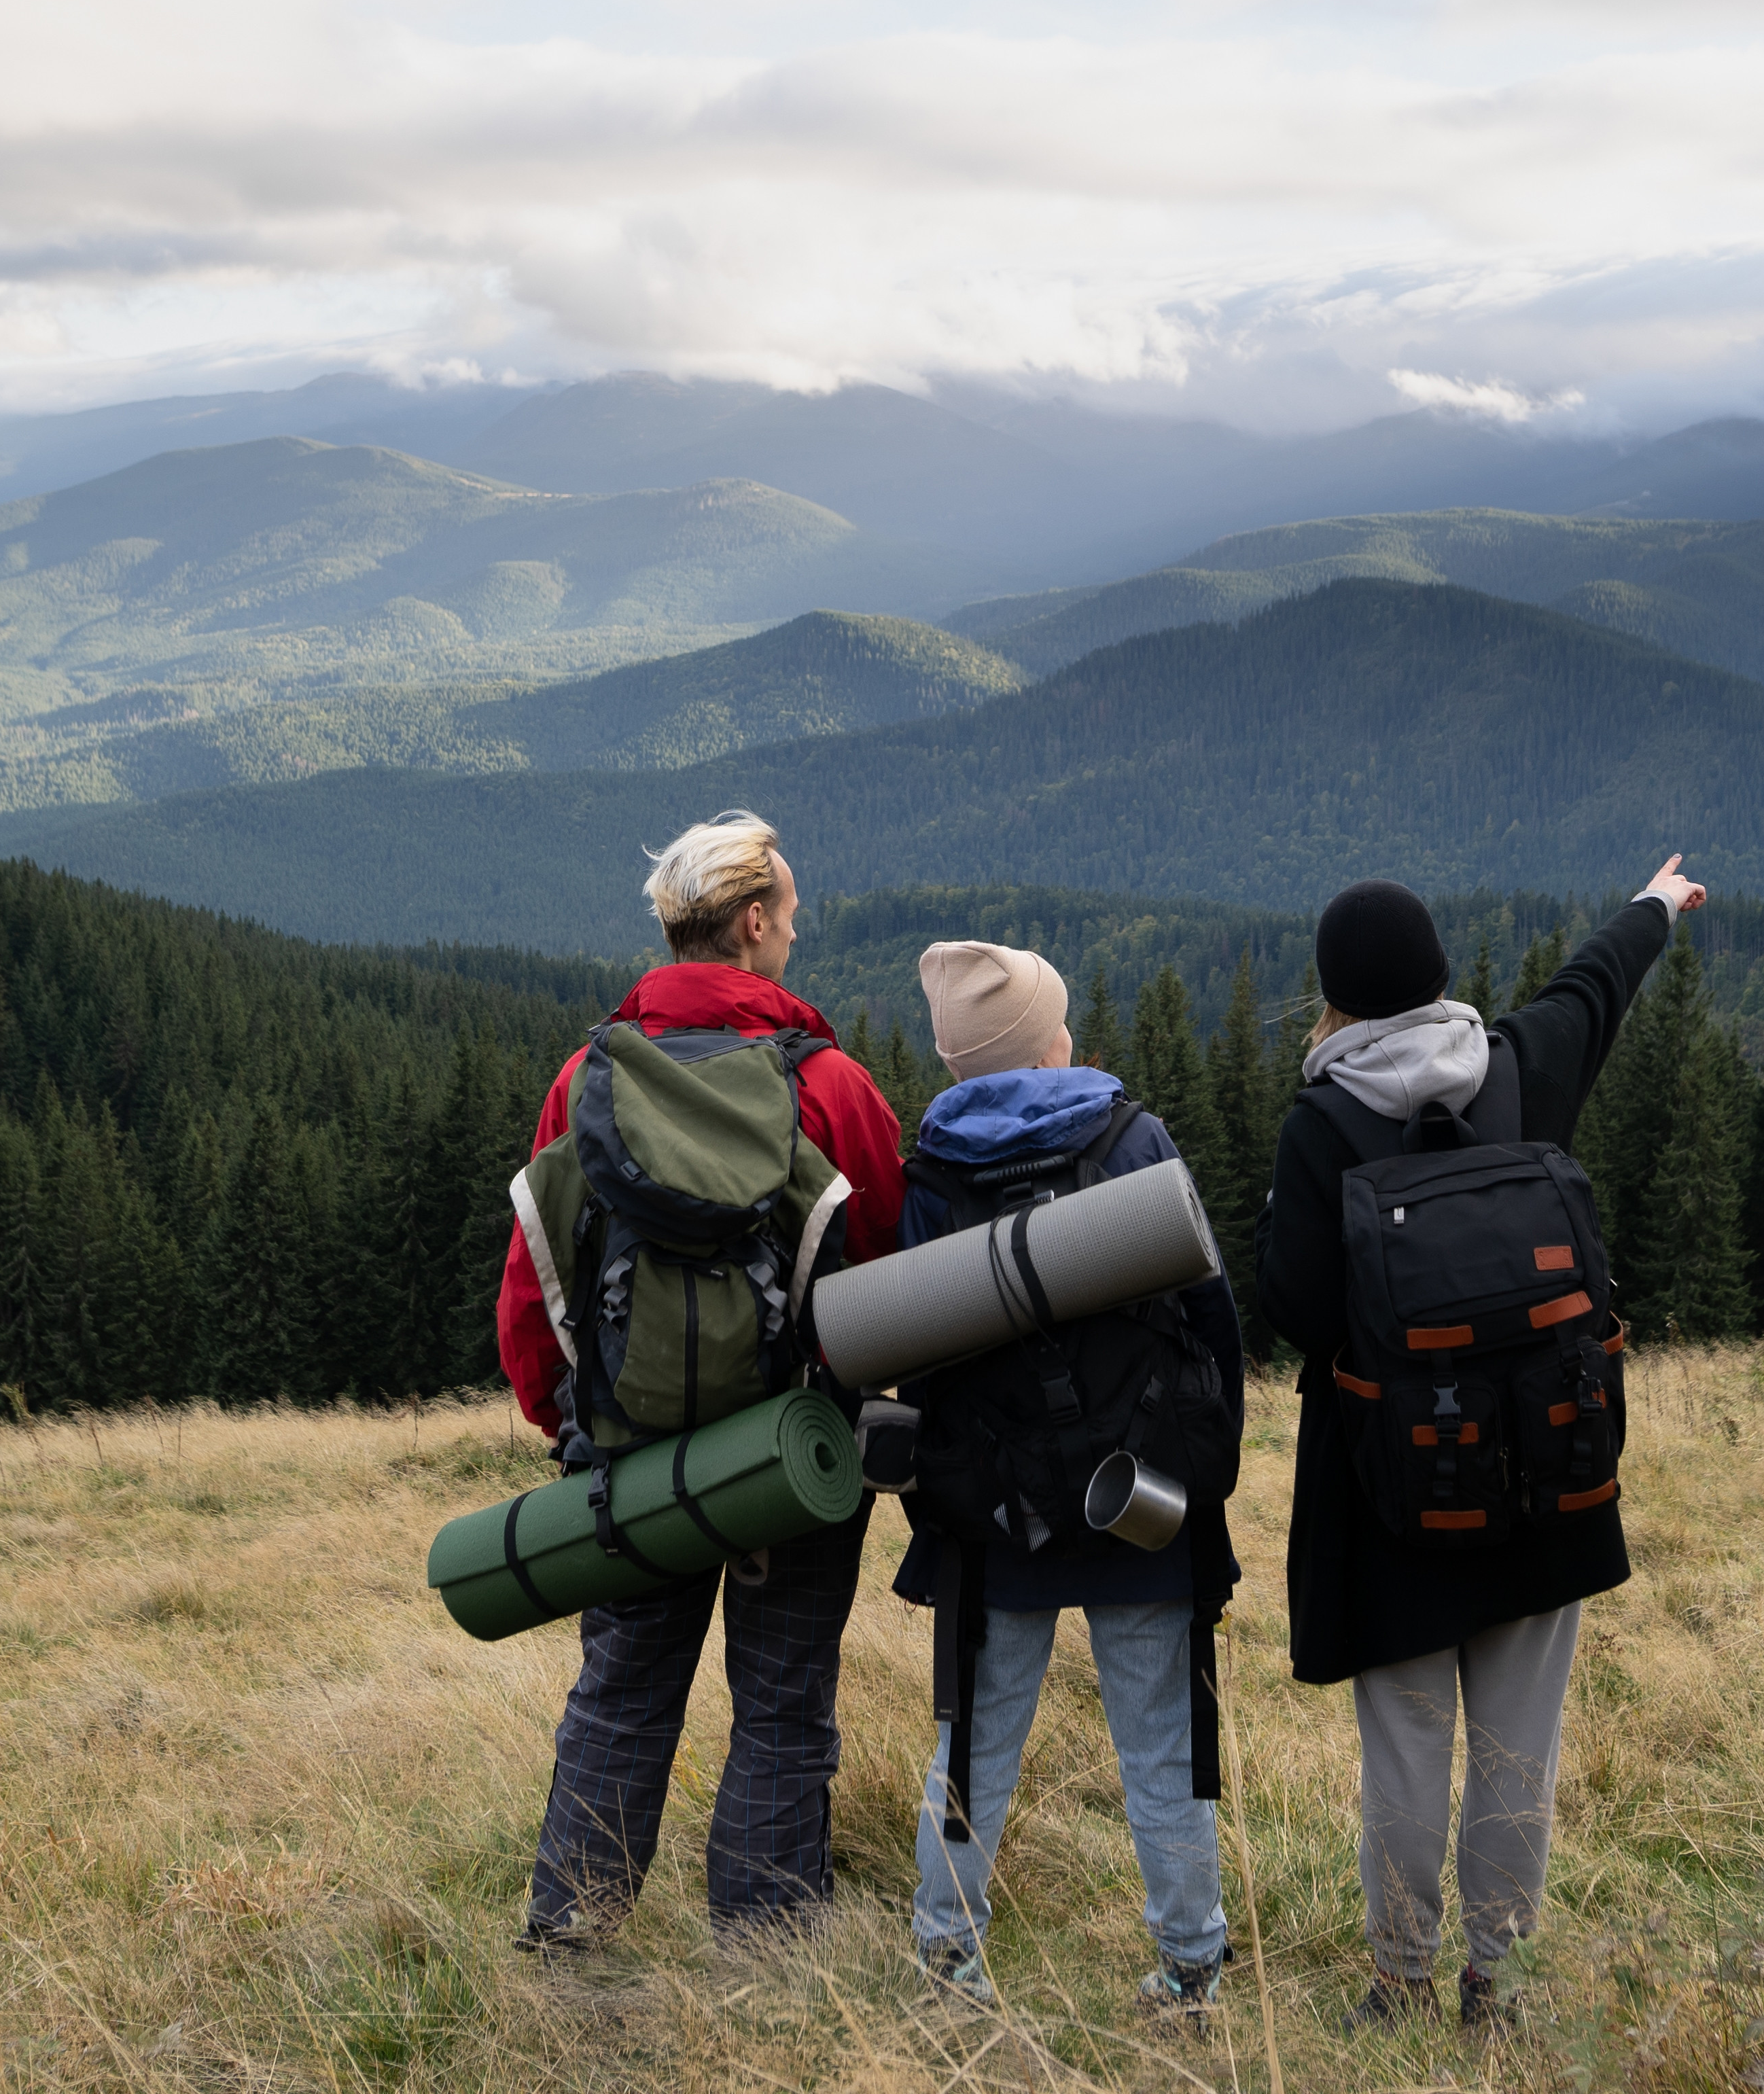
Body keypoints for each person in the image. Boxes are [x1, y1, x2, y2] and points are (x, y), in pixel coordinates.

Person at [1260, 854, 1708, 2031]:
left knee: (1407, 1746)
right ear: (1440, 975)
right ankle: (1498, 1983)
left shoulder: (1323, 1122)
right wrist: (1656, 905)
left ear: (1333, 998)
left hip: (1390, 1493)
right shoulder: (1512, 1068)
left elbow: (1295, 1305)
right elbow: (1593, 987)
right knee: (1519, 1750)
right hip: (1545, 1472)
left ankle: (1402, 1980)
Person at [496, 810, 909, 1953]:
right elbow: (890, 1271)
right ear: (754, 921)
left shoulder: (586, 1082)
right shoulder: (828, 1087)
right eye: (792, 912)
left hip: (629, 1465)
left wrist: (574, 1424)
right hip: (795, 1459)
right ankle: (765, 1952)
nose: (797, 930)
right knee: (782, 1704)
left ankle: (571, 1940)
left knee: (622, 1696)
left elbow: (535, 1285)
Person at [887, 940, 1245, 2019]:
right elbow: (1210, 1313)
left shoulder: (931, 1173)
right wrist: (1208, 1462)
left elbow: (917, 1360)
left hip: (997, 1517)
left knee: (972, 1751)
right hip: (1144, 1498)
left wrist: (949, 1498)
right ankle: (1190, 1970)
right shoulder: (1133, 1139)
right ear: (1051, 1046)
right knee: (1162, 1749)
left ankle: (948, 1966)